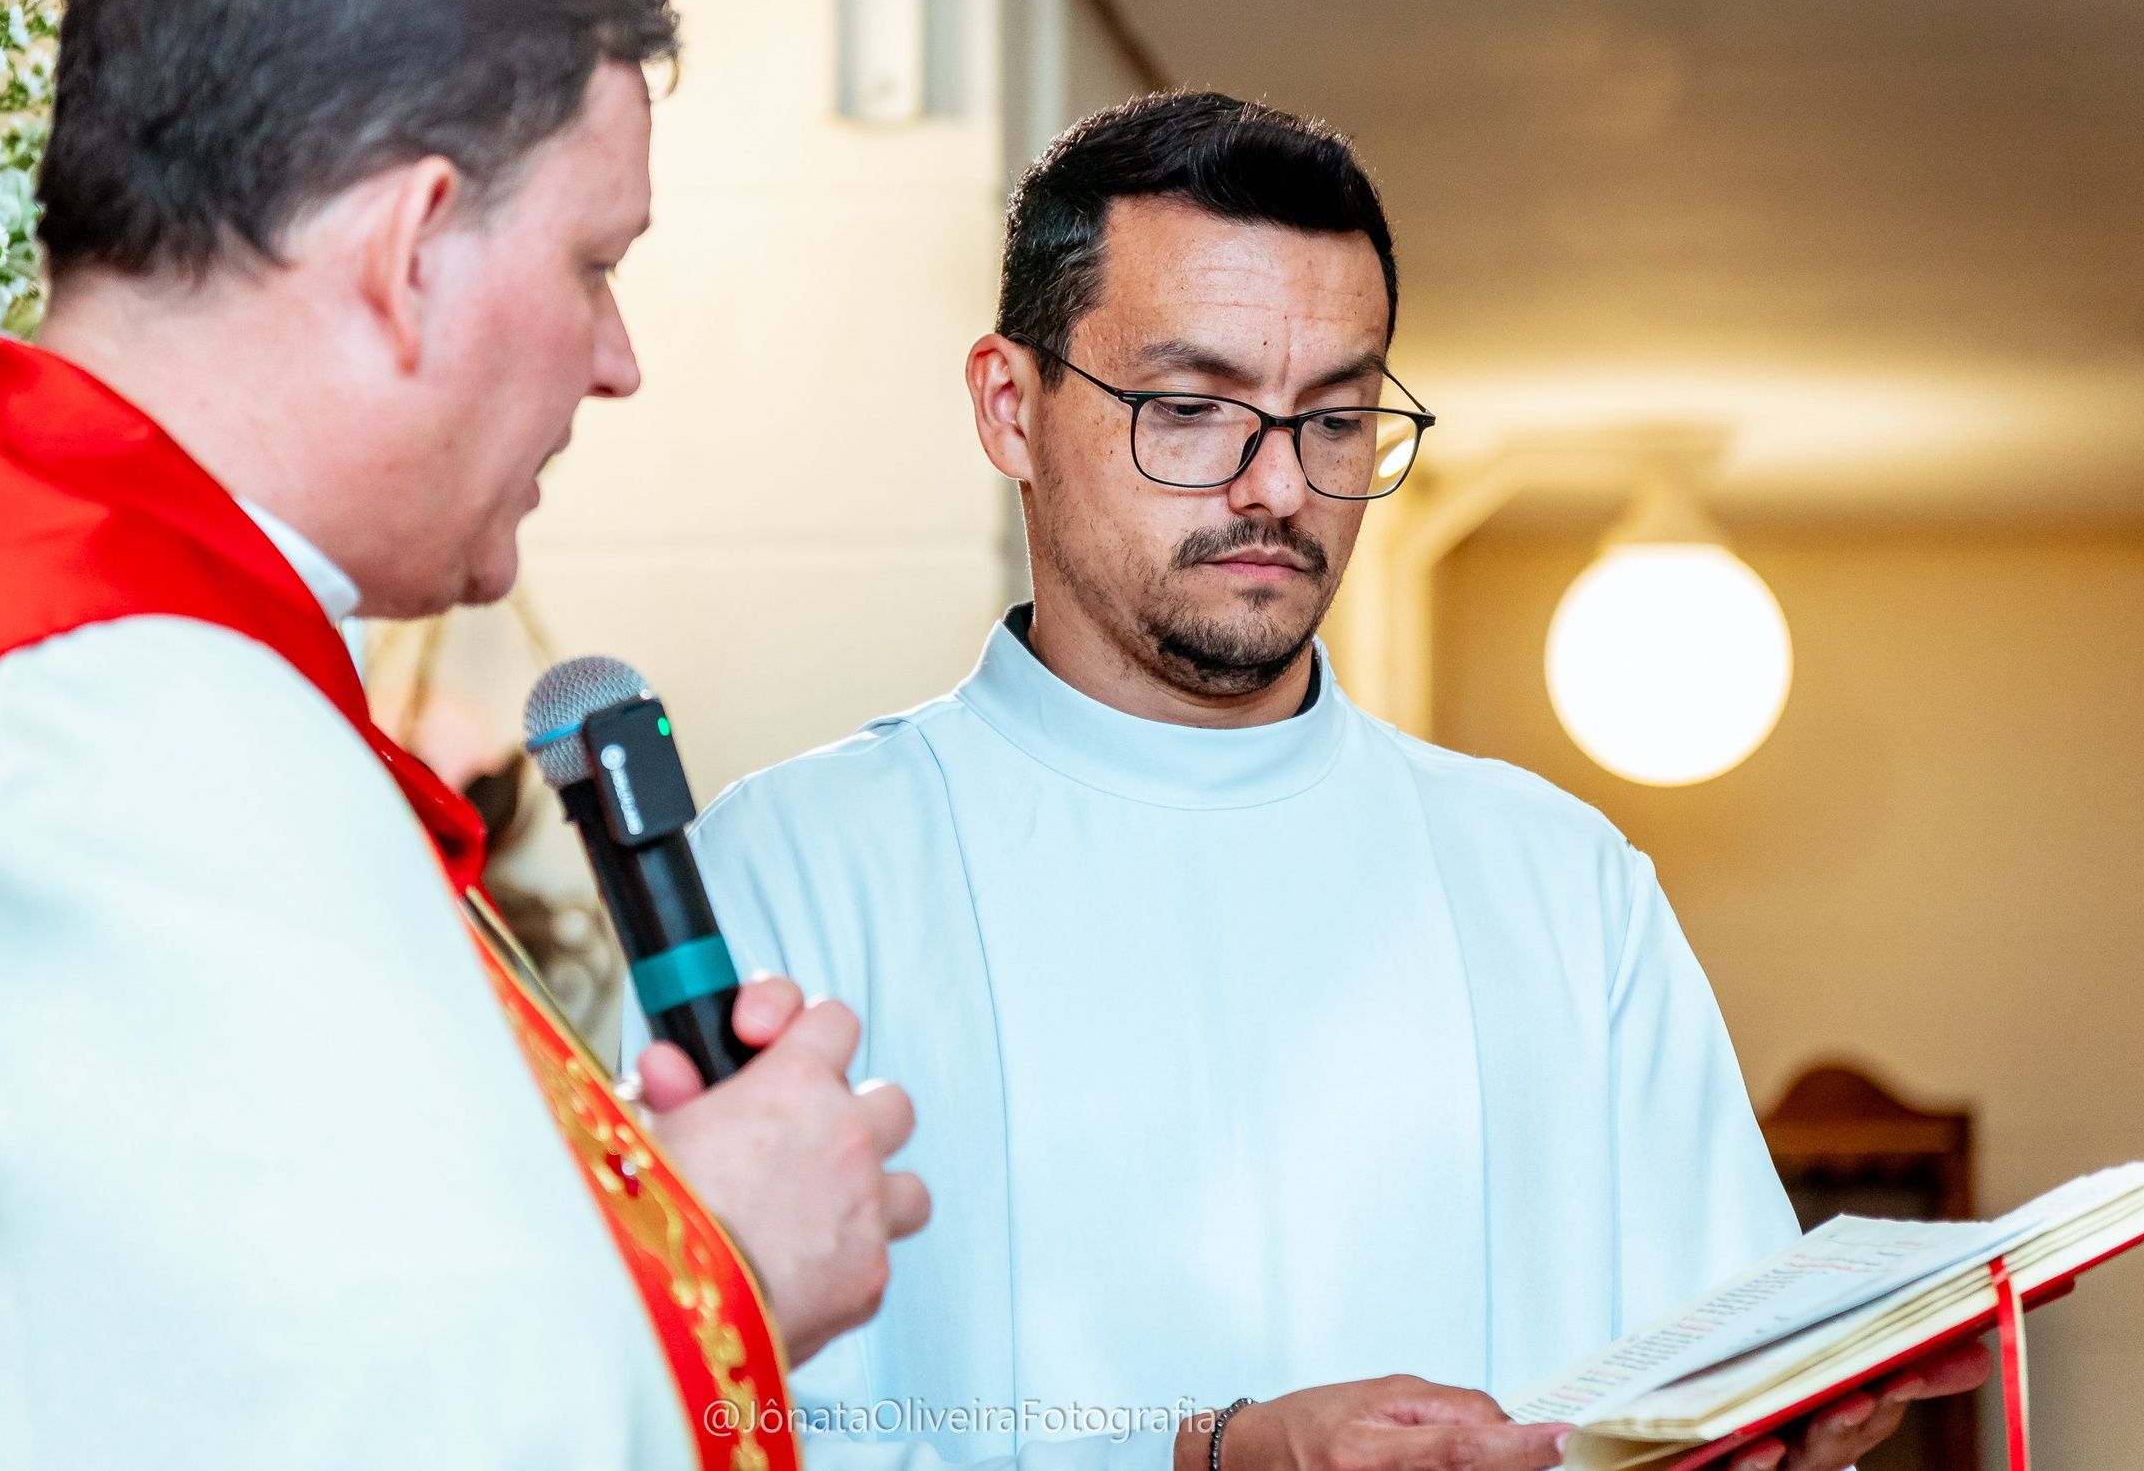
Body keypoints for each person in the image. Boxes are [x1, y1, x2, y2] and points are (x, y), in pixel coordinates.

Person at [0, 0, 928, 1470]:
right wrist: (727, 1265)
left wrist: (593, 1203)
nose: (616, 359)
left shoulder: (96, 665)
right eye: (592, 262)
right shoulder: (104, 738)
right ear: (412, 249)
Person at [671, 94, 1988, 1471]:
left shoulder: (1558, 880)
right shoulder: (792, 867)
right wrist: (1205, 1458)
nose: (1279, 489)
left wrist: (1783, 1431)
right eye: (1191, 409)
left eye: (1337, 419)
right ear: (1011, 407)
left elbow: (1693, 1380)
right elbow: (704, 1424)